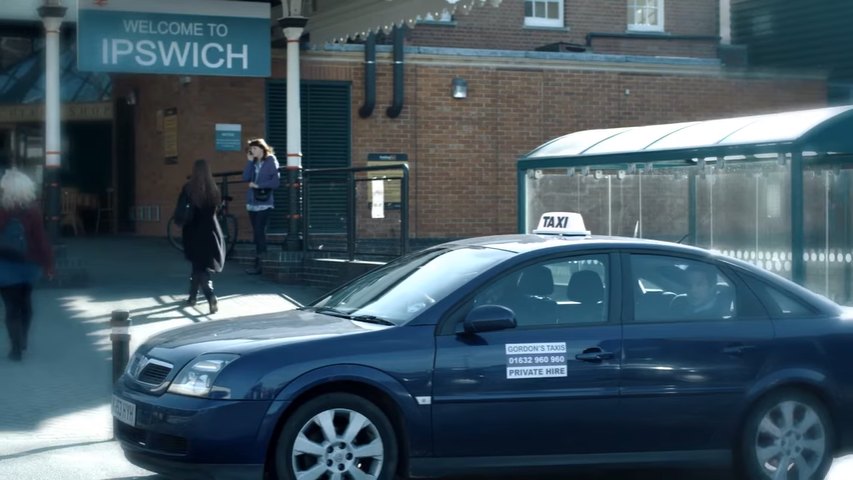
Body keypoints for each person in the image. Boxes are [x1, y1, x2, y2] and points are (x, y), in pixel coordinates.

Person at [0, 168, 54, 361]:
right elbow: (41, 240)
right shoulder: (33, 210)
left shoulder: (2, 209)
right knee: (26, 306)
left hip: (4, 265)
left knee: (11, 308)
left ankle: (15, 348)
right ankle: (22, 339)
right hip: (28, 265)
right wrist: (48, 265)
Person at [180, 159, 225, 314]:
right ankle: (192, 297)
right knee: (199, 266)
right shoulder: (214, 189)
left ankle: (210, 296)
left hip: (192, 231)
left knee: (198, 266)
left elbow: (181, 210)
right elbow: (217, 210)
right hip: (210, 231)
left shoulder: (188, 188)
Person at [242, 138, 280, 275]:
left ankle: (261, 264)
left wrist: (258, 185)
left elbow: (275, 182)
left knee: (259, 232)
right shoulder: (253, 162)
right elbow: (245, 177)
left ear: (263, 149)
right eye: (251, 149)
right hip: (252, 202)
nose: (253, 151)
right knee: (257, 233)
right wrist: (249, 162)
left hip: (264, 202)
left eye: (255, 149)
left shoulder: (270, 160)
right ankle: (259, 263)